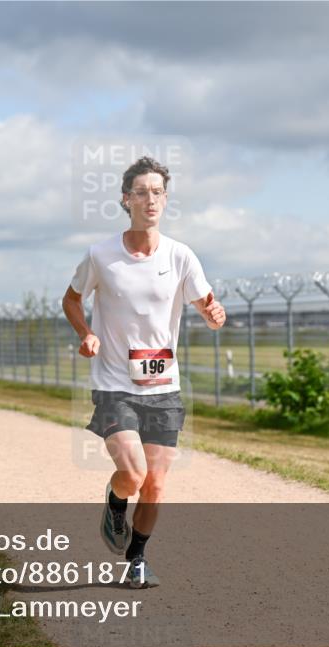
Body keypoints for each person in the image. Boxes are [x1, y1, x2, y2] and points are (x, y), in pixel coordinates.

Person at [62, 156, 226, 589]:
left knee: (154, 484)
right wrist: (86, 333)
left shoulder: (180, 256)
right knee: (132, 474)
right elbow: (72, 300)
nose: (150, 199)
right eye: (141, 192)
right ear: (125, 199)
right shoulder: (101, 255)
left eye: (157, 192)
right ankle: (116, 502)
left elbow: (208, 307)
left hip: (163, 387)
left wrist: (215, 314)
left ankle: (137, 559)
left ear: (165, 199)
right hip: (115, 384)